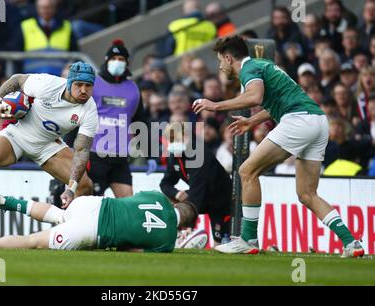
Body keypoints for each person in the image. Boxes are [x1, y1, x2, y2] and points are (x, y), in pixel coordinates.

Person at [192, 36, 364, 257]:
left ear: (228, 57)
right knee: (307, 194)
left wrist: (215, 105)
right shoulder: (265, 66)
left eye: (220, 61)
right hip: (318, 121)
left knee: (246, 171)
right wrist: (252, 121)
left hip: (299, 120)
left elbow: (255, 97)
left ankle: (248, 239)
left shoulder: (248, 68)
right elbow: (278, 101)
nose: (220, 66)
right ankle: (351, 243)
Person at [0, 61, 99, 236]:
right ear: (69, 83)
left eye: (88, 86)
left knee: (84, 185)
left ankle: (82, 232)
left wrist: (71, 188)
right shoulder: (48, 84)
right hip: (17, 134)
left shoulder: (89, 110)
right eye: (79, 85)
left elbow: (82, 150)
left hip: (48, 146)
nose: (84, 90)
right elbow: (17, 80)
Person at [0, 190, 198, 253]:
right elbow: (134, 249)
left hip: (93, 203)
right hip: (93, 231)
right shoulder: (167, 243)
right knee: (33, 242)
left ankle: (9, 202)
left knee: (60, 214)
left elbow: (131, 200)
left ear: (176, 204)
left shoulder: (156, 196)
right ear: (184, 227)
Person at [88, 39, 154, 197]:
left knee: (128, 202)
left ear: (127, 63)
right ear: (106, 60)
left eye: (121, 59)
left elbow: (140, 124)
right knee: (92, 204)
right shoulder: (93, 85)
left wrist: (150, 154)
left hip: (120, 158)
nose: (117, 62)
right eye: (114, 59)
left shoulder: (133, 89)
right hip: (95, 156)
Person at [160, 120, 232, 244]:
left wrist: (189, 225)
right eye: (170, 140)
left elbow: (198, 191)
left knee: (220, 244)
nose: (172, 144)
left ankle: (187, 234)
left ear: (186, 137)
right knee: (166, 199)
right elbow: (165, 183)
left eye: (175, 139)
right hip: (201, 195)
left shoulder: (198, 154)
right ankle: (176, 235)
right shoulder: (175, 157)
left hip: (221, 200)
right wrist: (176, 193)